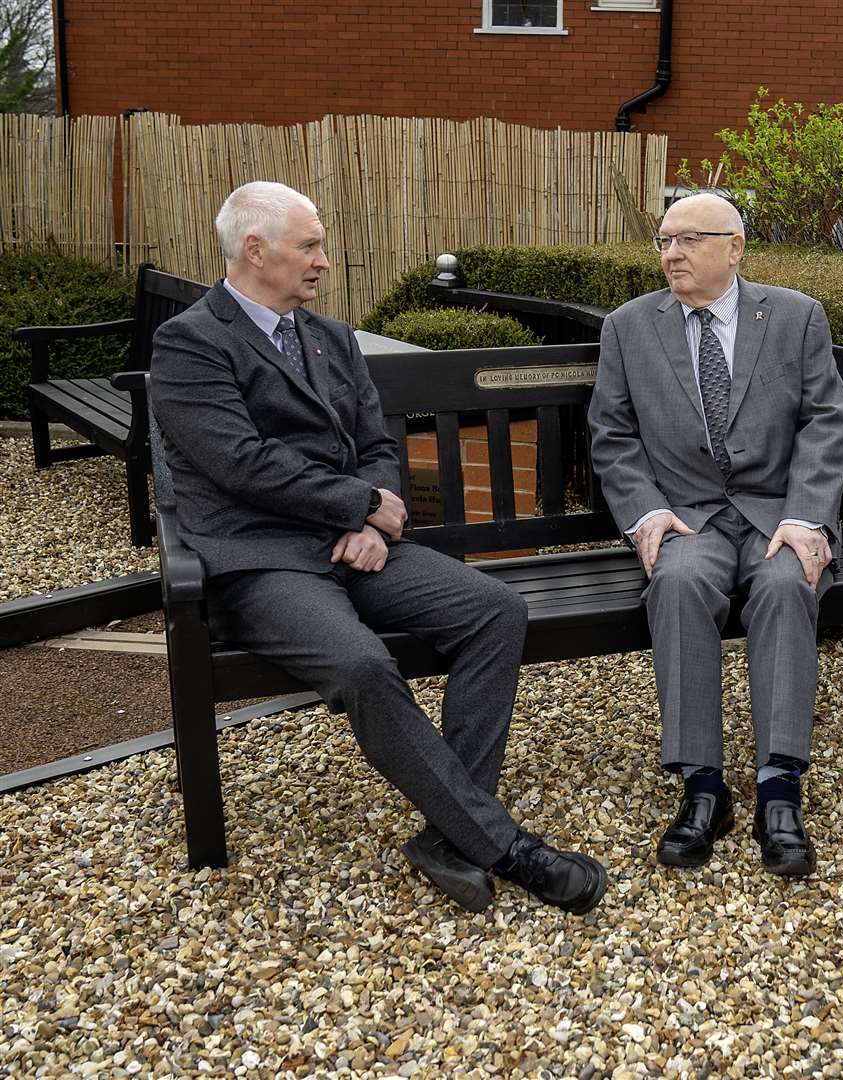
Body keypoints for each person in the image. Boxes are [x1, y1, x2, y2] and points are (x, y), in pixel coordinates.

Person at [149, 181, 606, 915]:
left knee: (494, 610)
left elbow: (373, 444)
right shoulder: (189, 342)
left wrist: (371, 521)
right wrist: (357, 503)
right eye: (309, 246)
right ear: (255, 250)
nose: (324, 261)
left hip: (357, 547)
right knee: (363, 663)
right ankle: (502, 846)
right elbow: (237, 462)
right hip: (261, 560)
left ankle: (447, 834)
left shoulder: (329, 337)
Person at [588, 192, 843, 877]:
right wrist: (645, 512)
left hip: (775, 512)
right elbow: (611, 435)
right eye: (664, 241)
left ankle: (778, 785)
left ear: (733, 248)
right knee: (675, 583)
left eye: (688, 239)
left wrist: (805, 515)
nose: (670, 253)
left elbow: (825, 422)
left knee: (788, 585)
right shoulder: (628, 326)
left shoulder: (795, 317)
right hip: (687, 515)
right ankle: (702, 784)